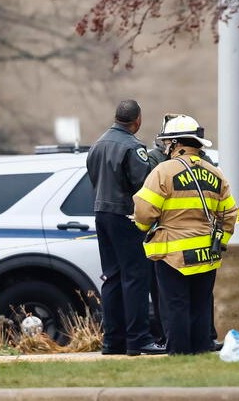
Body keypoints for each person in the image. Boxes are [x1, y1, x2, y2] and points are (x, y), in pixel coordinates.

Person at [133, 114, 238, 355]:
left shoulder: (163, 172)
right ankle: (201, 350)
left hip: (173, 255)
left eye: (167, 143)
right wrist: (218, 243)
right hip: (206, 255)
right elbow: (230, 214)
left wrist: (144, 227)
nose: (166, 148)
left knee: (175, 305)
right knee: (201, 305)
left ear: (176, 143)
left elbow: (144, 211)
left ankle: (179, 354)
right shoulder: (216, 173)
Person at [86, 99, 166, 356]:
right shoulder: (133, 147)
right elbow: (143, 185)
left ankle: (113, 341)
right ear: (137, 120)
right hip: (125, 216)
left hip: (101, 213)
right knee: (136, 277)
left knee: (112, 277)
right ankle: (138, 339)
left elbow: (93, 177)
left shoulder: (97, 144)